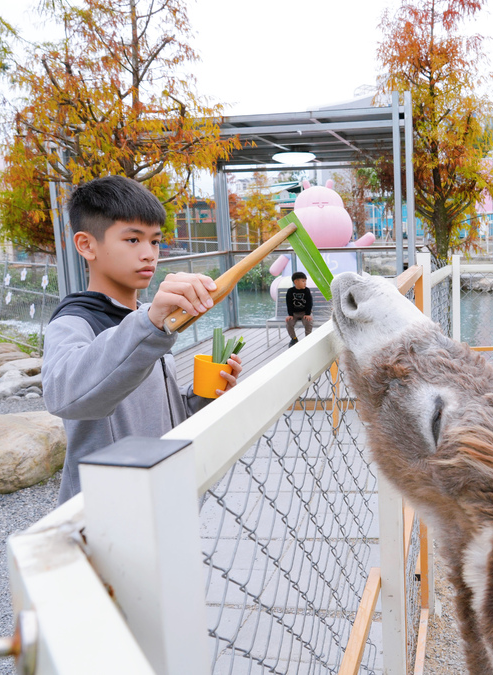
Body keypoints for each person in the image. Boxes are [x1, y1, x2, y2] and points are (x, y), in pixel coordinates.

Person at [42, 176, 242, 503]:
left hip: (163, 500)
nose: (149, 254)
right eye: (133, 240)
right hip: (108, 514)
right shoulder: (74, 322)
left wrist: (204, 397)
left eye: (155, 241)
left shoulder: (149, 322)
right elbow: (62, 396)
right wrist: (149, 323)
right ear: (86, 245)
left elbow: (159, 416)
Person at [285, 271, 313, 347]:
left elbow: (309, 303)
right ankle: (294, 338)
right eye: (303, 281)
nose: (305, 283)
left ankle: (308, 338)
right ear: (296, 282)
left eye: (305, 281)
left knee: (308, 322)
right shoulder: (290, 291)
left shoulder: (306, 290)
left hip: (305, 312)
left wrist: (308, 314)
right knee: (289, 323)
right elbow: (289, 304)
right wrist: (290, 315)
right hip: (294, 313)